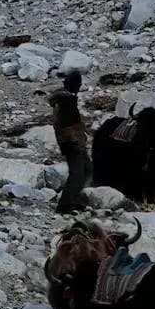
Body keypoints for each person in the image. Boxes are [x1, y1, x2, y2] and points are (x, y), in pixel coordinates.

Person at [49, 69, 89, 213]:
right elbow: (67, 126)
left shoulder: (63, 100)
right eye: (78, 84)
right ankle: (65, 205)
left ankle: (75, 200)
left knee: (86, 169)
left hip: (70, 143)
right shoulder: (67, 102)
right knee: (78, 173)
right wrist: (76, 142)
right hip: (73, 144)